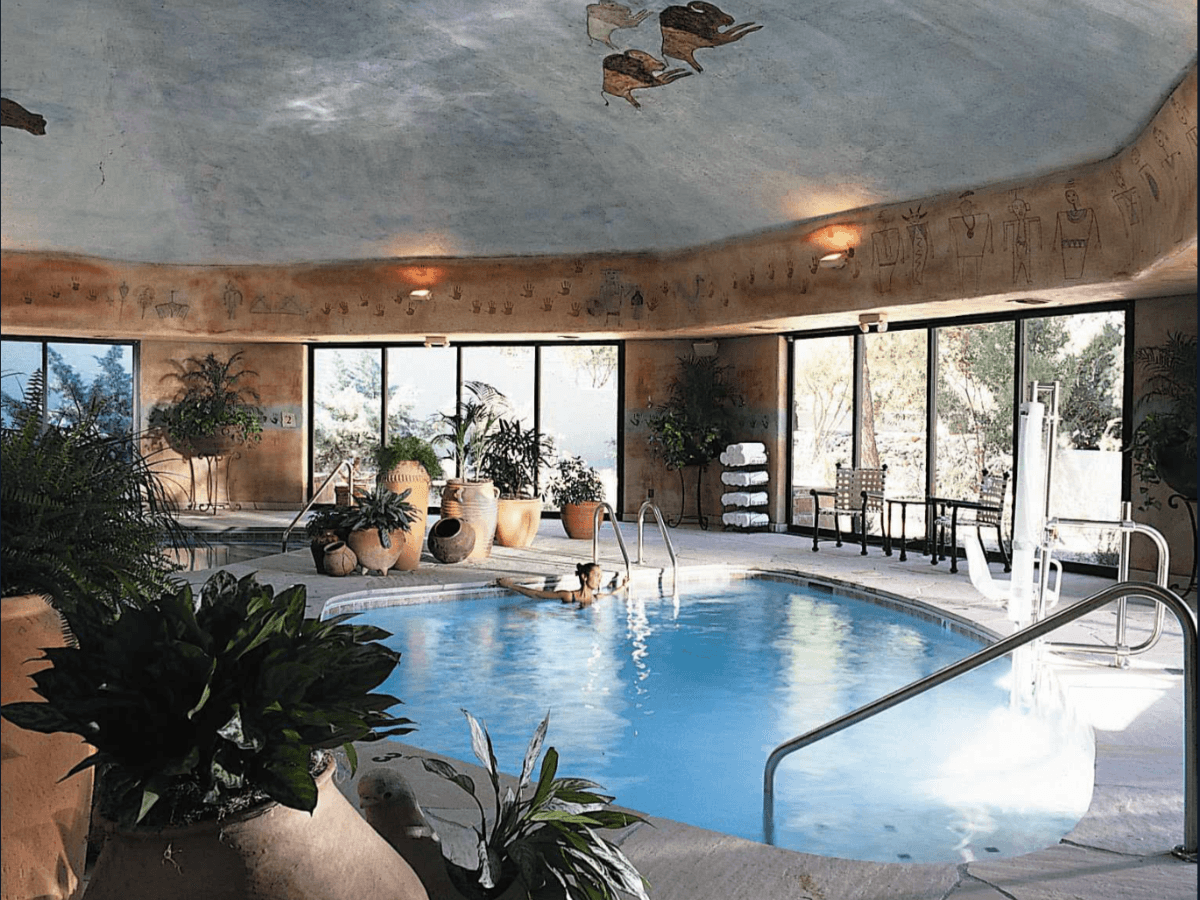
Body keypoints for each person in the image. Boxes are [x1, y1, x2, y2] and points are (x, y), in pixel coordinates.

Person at [498, 563, 628, 608]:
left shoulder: (597, 597)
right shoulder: (568, 596)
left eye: (600, 576)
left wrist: (623, 586)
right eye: (596, 575)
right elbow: (537, 594)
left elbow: (612, 594)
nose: (600, 579)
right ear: (584, 577)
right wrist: (511, 585)